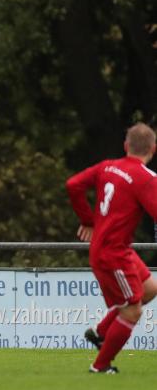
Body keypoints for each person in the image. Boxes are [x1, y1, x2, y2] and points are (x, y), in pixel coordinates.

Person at [67, 122, 157, 373]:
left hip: (113, 248)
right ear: (153, 149)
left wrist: (88, 220)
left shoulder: (107, 166)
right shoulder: (146, 177)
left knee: (149, 289)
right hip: (113, 253)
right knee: (131, 311)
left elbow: (73, 185)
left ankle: (100, 333)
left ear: (126, 146)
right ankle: (100, 366)